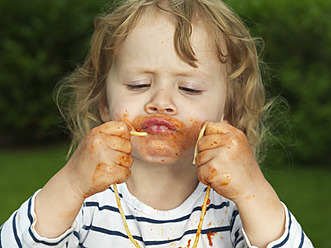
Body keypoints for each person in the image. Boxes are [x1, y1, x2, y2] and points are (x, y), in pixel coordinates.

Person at [0, 0, 313, 247]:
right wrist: (69, 184)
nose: (161, 101)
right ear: (105, 105)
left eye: (189, 88)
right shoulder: (85, 199)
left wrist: (253, 190)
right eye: (138, 84)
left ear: (226, 112)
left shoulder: (235, 205)